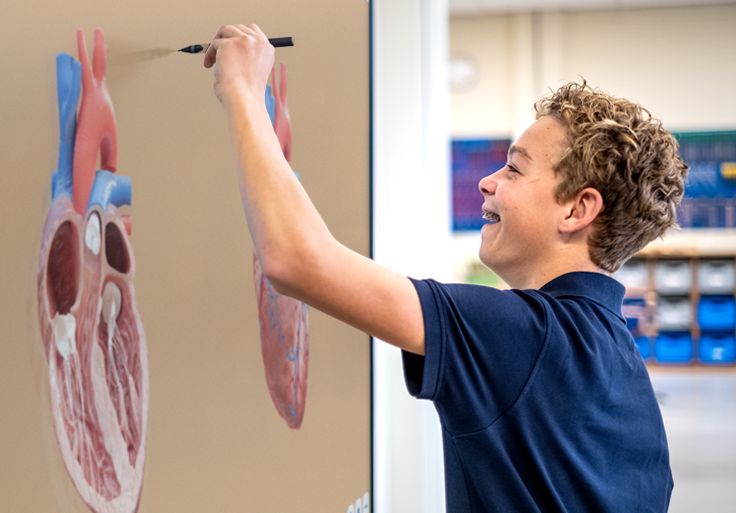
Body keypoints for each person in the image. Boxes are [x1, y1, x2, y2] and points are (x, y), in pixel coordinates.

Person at [204, 24, 688, 512]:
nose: (486, 181)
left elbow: (296, 260)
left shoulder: (523, 334)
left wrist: (243, 90)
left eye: (514, 169)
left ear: (577, 210)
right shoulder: (625, 372)